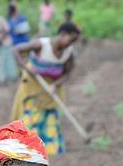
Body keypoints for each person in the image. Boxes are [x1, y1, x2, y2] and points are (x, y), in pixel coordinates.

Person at [11, 22, 80, 156]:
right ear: (62, 34)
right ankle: (26, 150)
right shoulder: (41, 45)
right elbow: (16, 50)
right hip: (33, 84)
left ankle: (48, 149)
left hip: (52, 87)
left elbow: (67, 73)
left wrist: (56, 84)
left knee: (50, 117)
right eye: (71, 40)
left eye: (74, 41)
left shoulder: (68, 53)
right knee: (32, 117)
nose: (71, 44)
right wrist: (25, 68)